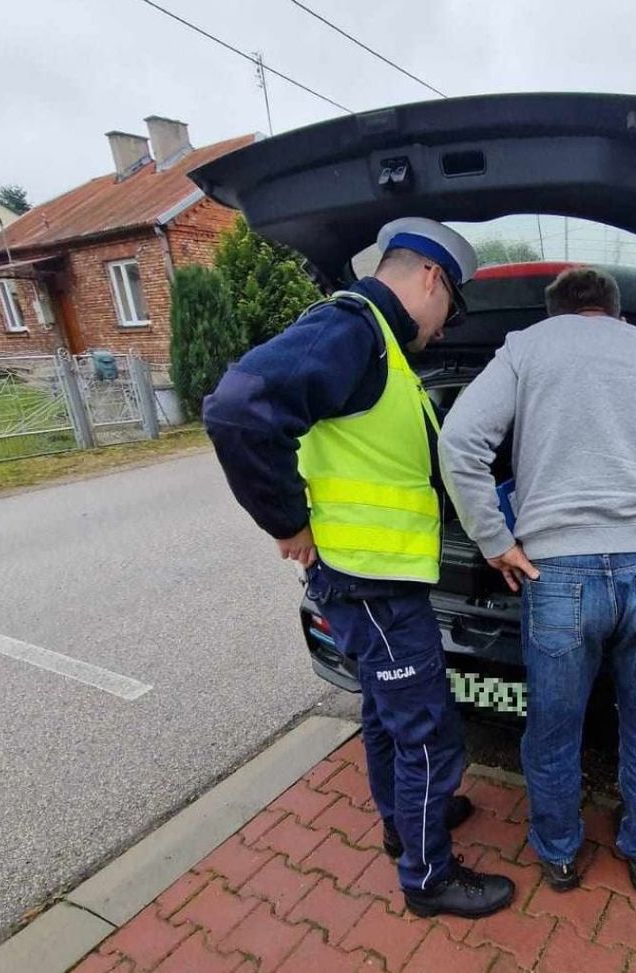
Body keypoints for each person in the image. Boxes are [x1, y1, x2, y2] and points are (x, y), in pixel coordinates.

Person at [202, 217, 515, 919]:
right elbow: (238, 410)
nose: (445, 327)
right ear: (430, 278)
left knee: (384, 712)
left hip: (375, 581)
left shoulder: (380, 348)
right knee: (426, 730)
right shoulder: (353, 330)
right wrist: (287, 520)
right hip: (369, 584)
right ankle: (429, 877)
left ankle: (404, 823)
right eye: (451, 305)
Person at [439, 266, 636, 894]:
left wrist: (495, 541)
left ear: (553, 313)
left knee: (554, 726)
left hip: (559, 571)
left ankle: (558, 854)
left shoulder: (529, 346)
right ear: (617, 311)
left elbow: (459, 442)